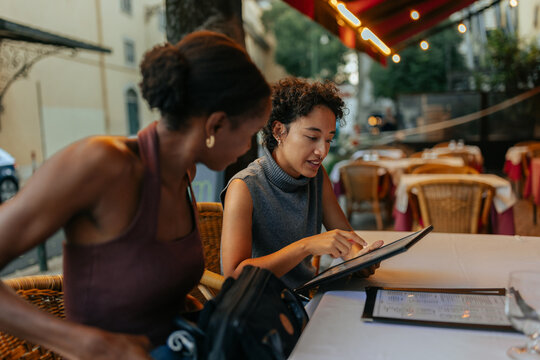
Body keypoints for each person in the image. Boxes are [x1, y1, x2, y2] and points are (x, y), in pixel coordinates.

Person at [0, 30, 271, 359]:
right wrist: (84, 343)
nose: (249, 149)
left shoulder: (183, 174)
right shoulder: (102, 164)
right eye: (251, 135)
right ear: (214, 126)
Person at [220, 77, 383, 290]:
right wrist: (306, 247)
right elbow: (234, 276)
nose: (322, 152)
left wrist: (360, 259)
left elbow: (347, 239)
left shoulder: (317, 177)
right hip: (259, 308)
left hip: (304, 301)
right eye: (312, 137)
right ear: (279, 131)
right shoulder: (245, 186)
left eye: (328, 140)